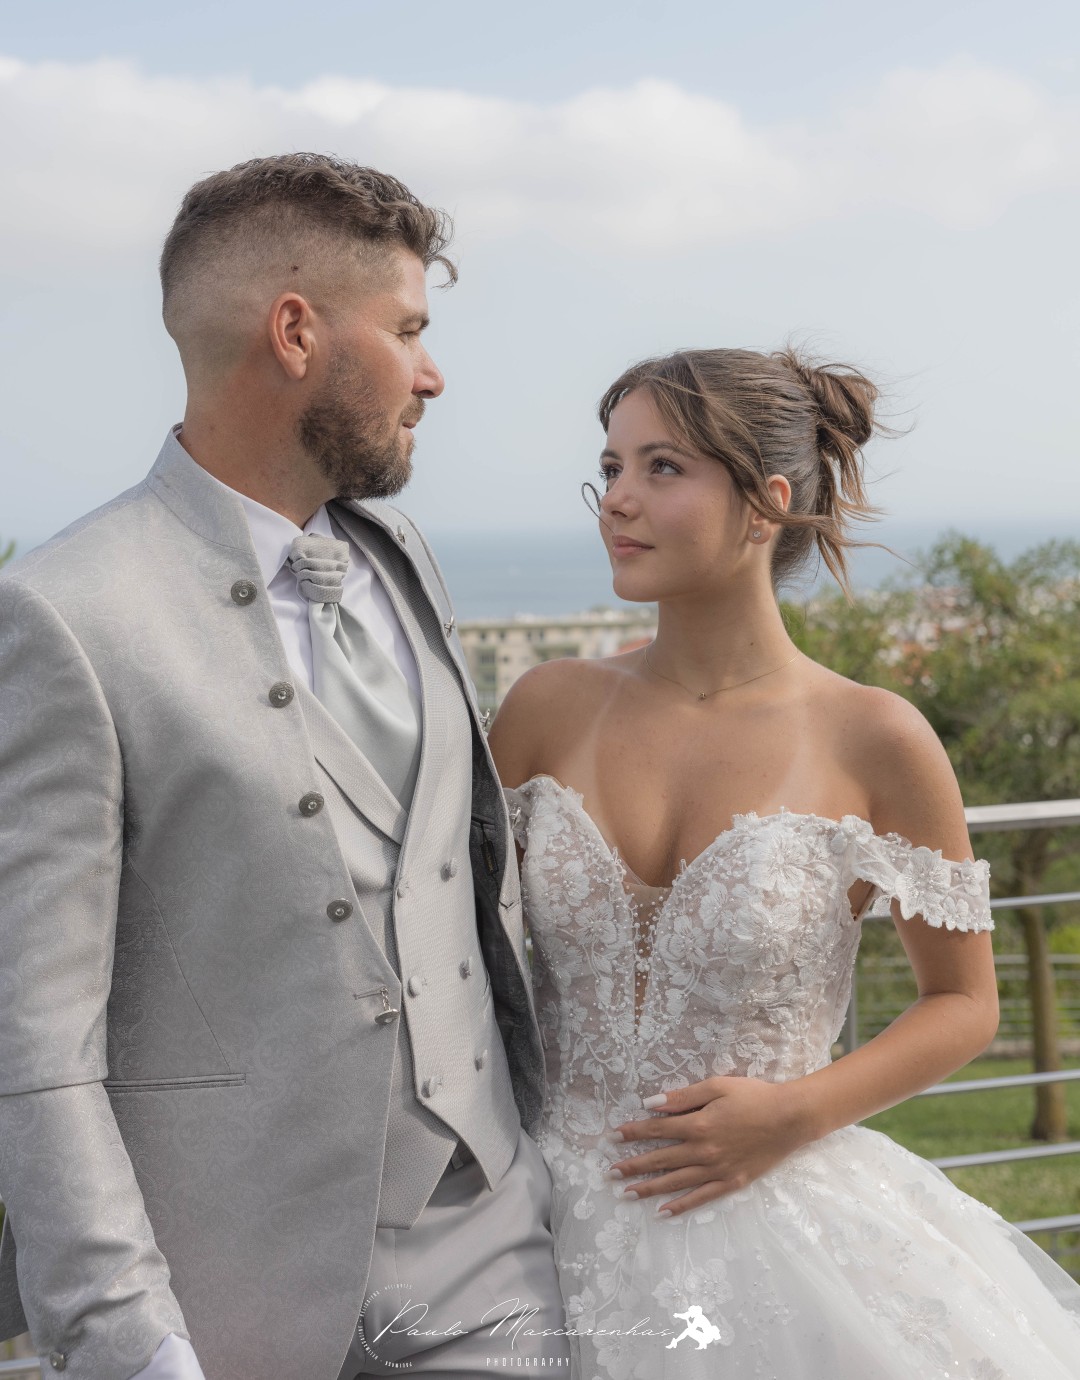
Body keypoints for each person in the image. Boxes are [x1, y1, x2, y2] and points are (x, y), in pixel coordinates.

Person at [0, 154, 569, 1380]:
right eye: (407, 330)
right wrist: (128, 1340)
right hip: (229, 1291)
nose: (432, 373)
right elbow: (36, 1039)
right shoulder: (65, 613)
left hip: (491, 1237)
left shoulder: (401, 553)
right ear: (297, 332)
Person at [490, 346, 1080, 1378]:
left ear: (765, 504)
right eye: (612, 466)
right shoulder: (543, 708)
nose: (617, 499)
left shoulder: (877, 739)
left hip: (779, 1231)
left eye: (662, 468)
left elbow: (964, 1003)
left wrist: (792, 1116)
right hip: (534, 1226)